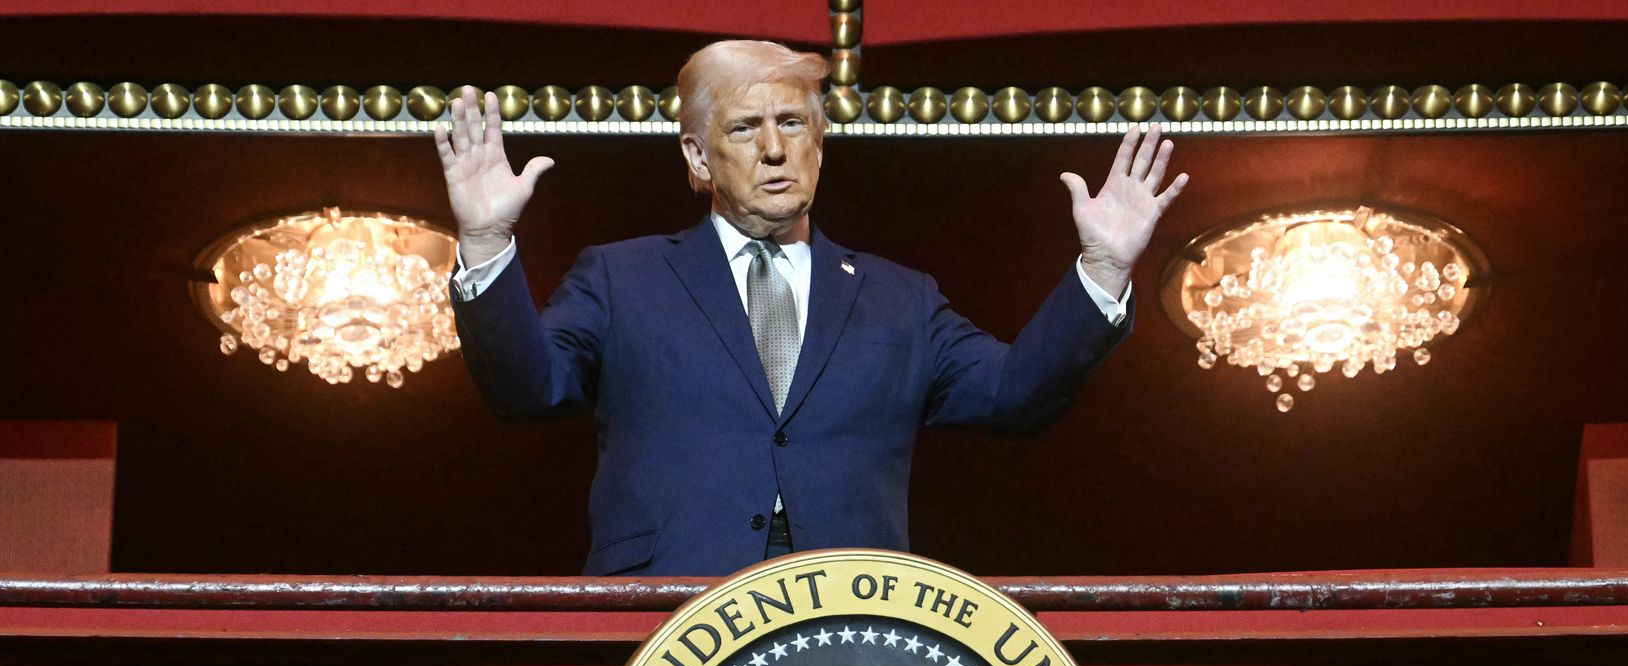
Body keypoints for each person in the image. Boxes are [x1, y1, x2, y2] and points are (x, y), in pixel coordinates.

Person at [436, 40, 1186, 576]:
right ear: (698, 158)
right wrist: (486, 239)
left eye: (793, 124)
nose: (773, 149)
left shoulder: (900, 297)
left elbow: (1016, 395)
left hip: (851, 616)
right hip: (667, 612)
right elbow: (525, 391)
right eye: (743, 127)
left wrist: (1103, 267)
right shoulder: (621, 276)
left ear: (820, 147)